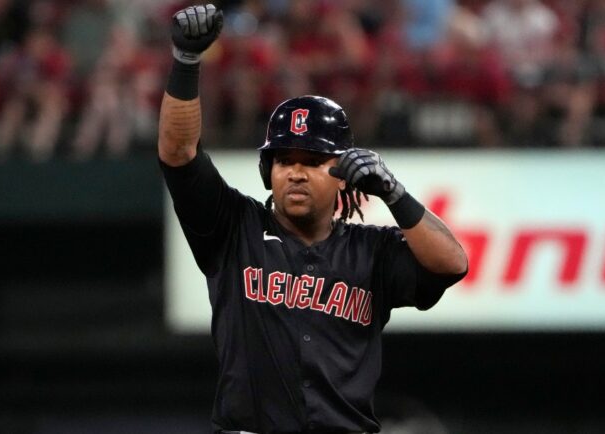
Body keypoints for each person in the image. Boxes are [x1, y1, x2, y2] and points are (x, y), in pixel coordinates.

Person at [158, 5, 468, 434]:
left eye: (313, 160)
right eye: (284, 160)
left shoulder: (373, 249)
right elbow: (178, 154)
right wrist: (187, 62)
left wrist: (395, 194)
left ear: (341, 175)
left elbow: (453, 263)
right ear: (269, 172)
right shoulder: (233, 227)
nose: (297, 171)